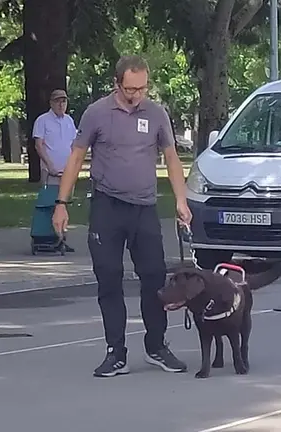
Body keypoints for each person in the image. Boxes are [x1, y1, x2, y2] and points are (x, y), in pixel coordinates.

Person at [52, 55, 192, 378]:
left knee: (155, 278)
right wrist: (62, 203)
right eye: (130, 88)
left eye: (142, 88)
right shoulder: (97, 113)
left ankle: (156, 345)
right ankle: (116, 352)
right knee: (109, 278)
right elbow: (75, 158)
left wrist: (181, 201)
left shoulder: (156, 114)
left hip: (144, 208)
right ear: (117, 83)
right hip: (107, 207)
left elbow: (172, 159)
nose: (136, 94)